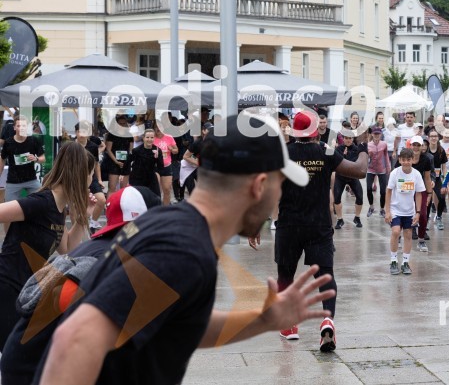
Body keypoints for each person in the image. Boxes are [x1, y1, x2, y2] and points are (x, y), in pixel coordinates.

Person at [37, 113, 333, 384]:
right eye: (279, 184)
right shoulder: (183, 250)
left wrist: (265, 320)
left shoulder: (177, 226)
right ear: (258, 186)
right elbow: (74, 339)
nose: (279, 194)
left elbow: (178, 321)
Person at [0, 186, 160, 385]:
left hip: (31, 361)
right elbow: (69, 317)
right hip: (36, 368)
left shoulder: (104, 250)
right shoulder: (109, 260)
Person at [251, 110, 367, 351]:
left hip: (289, 225)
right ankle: (327, 320)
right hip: (319, 225)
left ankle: (290, 326)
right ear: (315, 131)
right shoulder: (324, 151)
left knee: (286, 276)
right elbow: (360, 170)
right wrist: (363, 147)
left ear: (295, 131)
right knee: (325, 275)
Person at [0, 142, 94, 351]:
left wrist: (83, 216)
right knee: (15, 356)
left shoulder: (58, 209)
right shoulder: (41, 202)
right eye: (90, 175)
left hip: (25, 291)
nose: (91, 182)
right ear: (80, 174)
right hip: (6, 286)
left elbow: (67, 248)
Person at [385, 148, 425, 276]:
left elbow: (419, 194)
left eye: (409, 160)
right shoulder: (395, 173)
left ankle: (406, 262)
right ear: (400, 160)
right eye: (403, 160)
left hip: (410, 211)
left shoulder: (416, 174)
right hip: (396, 209)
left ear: (413, 160)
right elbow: (389, 191)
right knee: (396, 232)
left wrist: (418, 212)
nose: (406, 162)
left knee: (408, 235)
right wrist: (387, 211)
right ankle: (393, 261)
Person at [1, 116, 46, 202]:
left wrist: (36, 159)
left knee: (42, 201)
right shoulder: (8, 142)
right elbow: (2, 159)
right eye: (18, 126)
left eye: (24, 126)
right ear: (14, 127)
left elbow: (43, 158)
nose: (21, 128)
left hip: (31, 180)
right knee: (9, 208)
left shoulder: (34, 140)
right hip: (13, 181)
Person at [333, 133, 367, 229]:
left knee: (360, 197)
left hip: (353, 177)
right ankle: (340, 219)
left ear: (352, 139)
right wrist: (343, 156)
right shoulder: (339, 149)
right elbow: (336, 162)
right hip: (340, 177)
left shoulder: (357, 149)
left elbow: (358, 163)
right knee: (337, 198)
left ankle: (357, 217)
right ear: (343, 139)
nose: (348, 140)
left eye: (350, 138)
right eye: (346, 138)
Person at [128, 128, 163, 197]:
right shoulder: (136, 150)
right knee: (138, 198)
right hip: (137, 178)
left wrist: (157, 157)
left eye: (152, 137)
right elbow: (128, 162)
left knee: (156, 198)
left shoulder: (157, 150)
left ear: (154, 138)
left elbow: (161, 167)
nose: (149, 139)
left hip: (151, 178)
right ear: (143, 138)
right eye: (147, 137)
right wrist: (123, 174)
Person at [425, 129, 449, 230]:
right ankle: (424, 222)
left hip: (438, 178)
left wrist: (445, 181)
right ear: (428, 138)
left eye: (435, 136)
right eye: (432, 136)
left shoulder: (441, 150)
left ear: (438, 138)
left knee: (442, 196)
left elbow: (444, 167)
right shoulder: (425, 150)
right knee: (428, 201)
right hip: (427, 178)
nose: (434, 138)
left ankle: (438, 216)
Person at [104, 114, 132, 194]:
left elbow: (130, 150)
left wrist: (127, 161)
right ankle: (109, 205)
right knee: (112, 187)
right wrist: (116, 161)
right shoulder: (111, 135)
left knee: (123, 188)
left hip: (125, 162)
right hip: (113, 162)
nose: (122, 125)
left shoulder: (129, 135)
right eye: (120, 123)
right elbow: (108, 150)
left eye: (123, 123)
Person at [152, 122, 179, 206]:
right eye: (156, 127)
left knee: (167, 189)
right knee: (157, 190)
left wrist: (171, 149)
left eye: (160, 126)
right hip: (155, 166)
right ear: (154, 129)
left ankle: (165, 210)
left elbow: (176, 151)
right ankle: (156, 210)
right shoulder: (151, 138)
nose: (158, 129)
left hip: (167, 166)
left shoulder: (169, 137)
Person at [366, 127, 390, 218]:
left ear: (380, 135)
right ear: (372, 134)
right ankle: (371, 206)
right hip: (370, 169)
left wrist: (388, 167)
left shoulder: (384, 144)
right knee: (368, 188)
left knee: (383, 191)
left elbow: (386, 155)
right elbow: (366, 159)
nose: (376, 136)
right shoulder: (368, 145)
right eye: (375, 134)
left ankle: (382, 209)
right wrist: (369, 155)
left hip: (381, 169)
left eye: (378, 134)